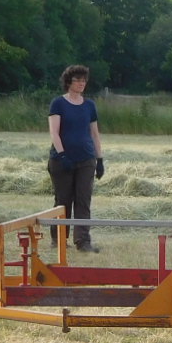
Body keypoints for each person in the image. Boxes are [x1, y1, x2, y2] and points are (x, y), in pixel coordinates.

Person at [47, 64, 104, 253]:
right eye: (77, 79)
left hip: (86, 159)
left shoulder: (90, 105)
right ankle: (59, 240)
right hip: (62, 160)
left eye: (84, 80)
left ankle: (83, 242)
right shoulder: (58, 103)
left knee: (83, 200)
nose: (81, 83)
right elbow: (54, 133)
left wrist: (100, 159)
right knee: (63, 201)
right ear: (68, 82)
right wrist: (63, 155)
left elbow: (94, 134)